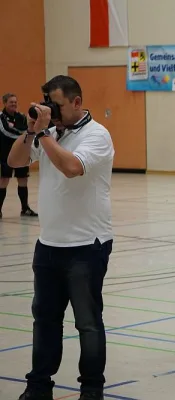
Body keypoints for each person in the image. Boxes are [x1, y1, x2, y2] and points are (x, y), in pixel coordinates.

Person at [7, 75, 114, 400]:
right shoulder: (50, 133)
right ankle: (39, 386)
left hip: (86, 246)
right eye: (47, 104)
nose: (50, 111)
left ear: (76, 102)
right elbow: (14, 161)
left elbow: (71, 167)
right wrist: (31, 132)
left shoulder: (97, 134)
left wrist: (43, 134)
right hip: (49, 245)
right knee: (45, 320)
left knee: (88, 322)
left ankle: (91, 390)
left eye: (56, 105)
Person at [0, 93, 37, 218]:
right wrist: (24, 134)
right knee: (3, 180)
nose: (14, 104)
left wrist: (25, 133)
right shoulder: (1, 117)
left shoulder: (21, 117)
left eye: (15, 102)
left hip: (21, 153)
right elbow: (6, 131)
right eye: (11, 102)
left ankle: (25, 208)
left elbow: (27, 129)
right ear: (5, 103)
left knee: (23, 179)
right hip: (5, 154)